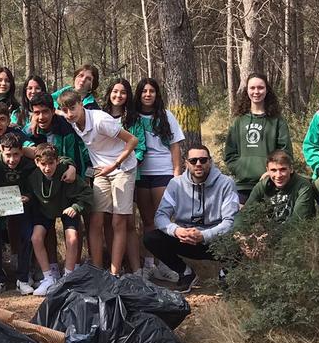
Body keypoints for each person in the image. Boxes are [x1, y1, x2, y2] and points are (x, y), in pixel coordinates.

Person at [60, 90, 139, 276]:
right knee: (95, 219)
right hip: (100, 171)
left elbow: (132, 140)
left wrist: (115, 164)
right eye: (66, 110)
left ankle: (114, 272)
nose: (70, 113)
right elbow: (56, 111)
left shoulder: (100, 120)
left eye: (73, 108)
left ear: (81, 103)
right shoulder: (71, 121)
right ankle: (96, 270)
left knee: (118, 220)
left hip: (123, 168)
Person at [143, 145, 239, 292]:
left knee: (240, 239)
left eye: (203, 160)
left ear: (210, 162)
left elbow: (229, 222)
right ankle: (185, 273)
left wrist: (204, 235)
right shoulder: (176, 184)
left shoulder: (226, 183)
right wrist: (176, 231)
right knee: (151, 238)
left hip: (214, 241)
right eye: (193, 161)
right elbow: (161, 216)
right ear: (186, 163)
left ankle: (225, 275)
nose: (198, 164)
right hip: (185, 239)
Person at [25, 143, 92, 295]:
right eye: (43, 164)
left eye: (51, 163)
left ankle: (68, 278)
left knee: (73, 238)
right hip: (43, 211)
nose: (47, 168)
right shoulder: (33, 177)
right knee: (36, 238)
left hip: (66, 207)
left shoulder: (66, 172)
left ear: (57, 161)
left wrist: (76, 207)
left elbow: (86, 194)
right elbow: (29, 192)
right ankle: (48, 277)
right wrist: (27, 197)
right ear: (36, 162)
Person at [134, 78, 187, 270]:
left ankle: (166, 264)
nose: (148, 95)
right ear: (139, 94)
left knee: (162, 220)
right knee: (146, 220)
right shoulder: (132, 117)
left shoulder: (166, 116)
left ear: (157, 94)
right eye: (144, 91)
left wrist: (176, 174)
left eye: (152, 91)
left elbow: (175, 147)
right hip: (140, 173)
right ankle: (149, 264)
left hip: (163, 173)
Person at [102, 78, 148, 272]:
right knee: (108, 222)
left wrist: (127, 164)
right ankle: (116, 267)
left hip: (128, 175)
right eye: (115, 91)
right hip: (104, 175)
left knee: (127, 223)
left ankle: (136, 269)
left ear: (128, 96)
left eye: (122, 92)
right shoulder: (101, 117)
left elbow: (141, 148)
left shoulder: (133, 120)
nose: (118, 96)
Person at [224, 73, 292, 203]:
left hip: (270, 184)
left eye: (260, 88)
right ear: (247, 90)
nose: (256, 92)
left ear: (267, 90)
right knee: (242, 221)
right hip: (243, 186)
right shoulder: (239, 121)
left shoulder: (277, 121)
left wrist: (272, 173)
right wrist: (241, 170)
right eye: (252, 88)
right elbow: (229, 153)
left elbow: (285, 152)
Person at [0, 134, 38, 295]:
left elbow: (33, 186)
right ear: (1, 151)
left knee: (27, 235)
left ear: (22, 152)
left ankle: (23, 277)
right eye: (8, 155)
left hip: (21, 204)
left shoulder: (29, 165)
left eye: (16, 154)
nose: (12, 159)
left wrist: (28, 196)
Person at [241, 150, 316, 225]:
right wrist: (238, 232)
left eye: (283, 169)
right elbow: (244, 213)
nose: (278, 175)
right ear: (267, 170)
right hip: (265, 232)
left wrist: (270, 234)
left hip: (294, 234)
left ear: (291, 169)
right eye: (273, 170)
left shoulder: (303, 186)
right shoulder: (262, 185)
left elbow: (297, 220)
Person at [25, 92, 90, 177]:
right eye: (37, 113)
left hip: (65, 176)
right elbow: (18, 142)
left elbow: (76, 157)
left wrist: (73, 168)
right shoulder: (29, 131)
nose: (41, 117)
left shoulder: (66, 129)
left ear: (53, 111)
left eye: (45, 112)